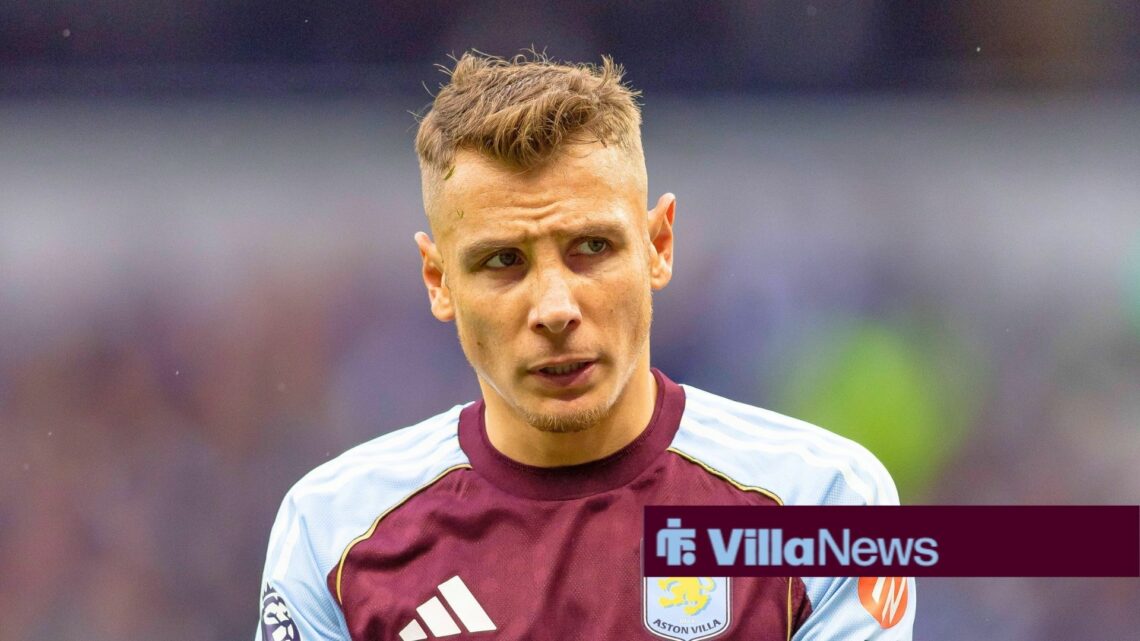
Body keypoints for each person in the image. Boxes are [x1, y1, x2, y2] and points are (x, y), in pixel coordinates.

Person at [255, 52, 915, 641]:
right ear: (440, 280)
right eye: (503, 261)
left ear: (658, 246)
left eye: (592, 248)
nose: (555, 308)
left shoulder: (827, 505)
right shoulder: (332, 532)